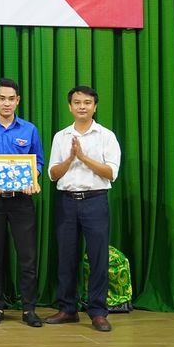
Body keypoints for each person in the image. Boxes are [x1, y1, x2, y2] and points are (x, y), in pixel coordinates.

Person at [45, 86, 121, 332]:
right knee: (66, 256)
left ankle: (98, 312)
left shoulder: (106, 136)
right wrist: (70, 158)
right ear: (70, 106)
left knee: (98, 257)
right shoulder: (61, 137)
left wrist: (83, 157)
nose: (82, 107)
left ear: (95, 107)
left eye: (87, 102)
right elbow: (53, 174)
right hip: (66, 201)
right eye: (77, 102)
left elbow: (111, 172)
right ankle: (68, 309)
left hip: (95, 200)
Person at [0, 78, 45, 327]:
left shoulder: (29, 130)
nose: (6, 103)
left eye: (11, 99)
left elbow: (38, 161)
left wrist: (33, 178)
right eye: (2, 98)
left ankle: (29, 309)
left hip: (22, 201)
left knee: (27, 257)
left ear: (18, 101)